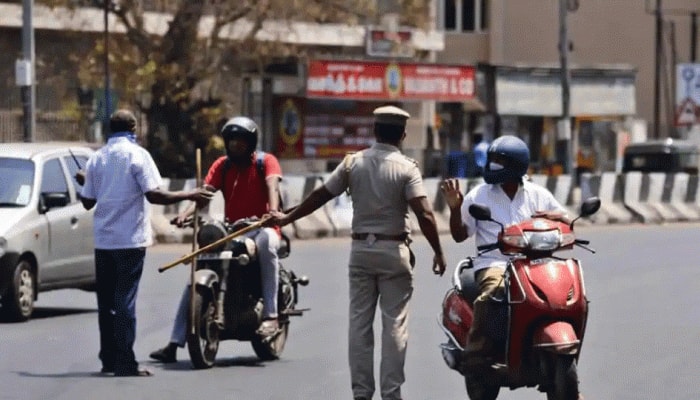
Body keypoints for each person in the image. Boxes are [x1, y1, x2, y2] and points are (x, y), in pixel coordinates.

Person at [264, 105, 447, 400]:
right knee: (394, 325)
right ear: (402, 134)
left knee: (359, 325)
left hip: (361, 251)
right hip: (394, 251)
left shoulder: (353, 164)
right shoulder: (407, 168)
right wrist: (438, 252)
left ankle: (361, 393)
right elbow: (424, 213)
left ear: (374, 131)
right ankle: (391, 393)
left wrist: (287, 218)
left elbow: (321, 195)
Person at [77, 109, 213, 377]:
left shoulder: (97, 159)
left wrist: (83, 182)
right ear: (133, 128)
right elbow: (155, 195)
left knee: (107, 304)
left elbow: (87, 201)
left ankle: (108, 359)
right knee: (125, 303)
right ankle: (126, 363)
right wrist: (190, 193)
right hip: (129, 240)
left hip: (104, 242)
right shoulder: (138, 155)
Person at [149, 115, 283, 363]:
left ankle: (271, 316)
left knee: (266, 244)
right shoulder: (222, 165)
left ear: (251, 142)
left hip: (261, 225)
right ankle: (174, 342)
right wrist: (186, 214)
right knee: (200, 264)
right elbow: (204, 195)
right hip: (233, 229)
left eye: (241, 142)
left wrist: (272, 212)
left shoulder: (267, 162)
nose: (236, 146)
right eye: (232, 142)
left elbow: (272, 185)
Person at [440, 135, 570, 370]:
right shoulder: (478, 195)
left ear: (517, 164)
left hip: (535, 263)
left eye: (499, 160)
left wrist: (551, 218)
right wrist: (455, 208)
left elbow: (565, 219)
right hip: (494, 263)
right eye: (492, 160)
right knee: (494, 291)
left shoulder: (537, 194)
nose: (492, 165)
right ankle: (476, 350)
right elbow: (460, 235)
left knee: (564, 292)